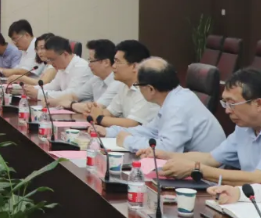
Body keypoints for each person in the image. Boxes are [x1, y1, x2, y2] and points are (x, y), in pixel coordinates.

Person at [140, 69, 261, 186]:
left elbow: (260, 178)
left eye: (232, 104)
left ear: (258, 104)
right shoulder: (245, 126)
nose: (227, 110)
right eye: (225, 103)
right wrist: (166, 155)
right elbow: (211, 158)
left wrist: (197, 169)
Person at [93, 57, 225, 153]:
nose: (138, 89)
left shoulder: (177, 106)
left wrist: (128, 141)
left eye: (138, 85)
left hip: (204, 176)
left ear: (150, 89)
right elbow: (150, 130)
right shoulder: (174, 98)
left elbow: (167, 149)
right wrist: (110, 132)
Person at [87, 40, 159, 128]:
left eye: (118, 62)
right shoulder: (124, 86)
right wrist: (96, 112)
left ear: (134, 66)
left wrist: (99, 118)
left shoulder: (147, 89)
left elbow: (132, 123)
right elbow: (109, 112)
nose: (113, 66)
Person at [50, 39, 122, 112]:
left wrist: (71, 104)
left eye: (91, 60)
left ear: (106, 62)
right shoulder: (96, 79)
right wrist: (50, 102)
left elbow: (95, 109)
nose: (89, 64)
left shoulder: (117, 82)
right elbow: (74, 96)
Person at [23, 35, 92, 100]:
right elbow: (53, 86)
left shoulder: (81, 67)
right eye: (49, 59)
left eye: (52, 59)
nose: (51, 63)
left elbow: (71, 95)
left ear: (65, 54)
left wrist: (39, 94)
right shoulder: (61, 68)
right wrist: (32, 89)